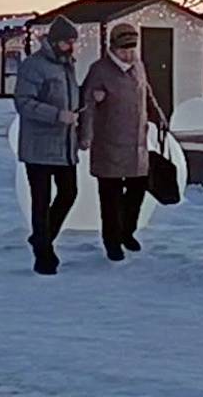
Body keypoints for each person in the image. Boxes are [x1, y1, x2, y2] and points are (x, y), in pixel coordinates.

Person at [79, 24, 167, 261]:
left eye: (132, 49)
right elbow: (87, 106)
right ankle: (112, 241)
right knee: (110, 196)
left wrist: (158, 115)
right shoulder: (99, 71)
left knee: (138, 190)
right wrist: (85, 136)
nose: (129, 54)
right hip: (109, 143)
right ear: (113, 48)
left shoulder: (138, 67)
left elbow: (146, 93)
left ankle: (127, 232)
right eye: (124, 50)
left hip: (136, 142)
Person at [14, 16, 81, 275]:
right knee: (41, 201)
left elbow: (72, 97)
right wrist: (56, 115)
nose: (72, 47)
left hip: (65, 146)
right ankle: (44, 254)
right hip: (39, 148)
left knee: (69, 193)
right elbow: (23, 102)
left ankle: (42, 236)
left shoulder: (68, 66)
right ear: (54, 42)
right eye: (67, 42)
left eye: (74, 42)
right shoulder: (34, 66)